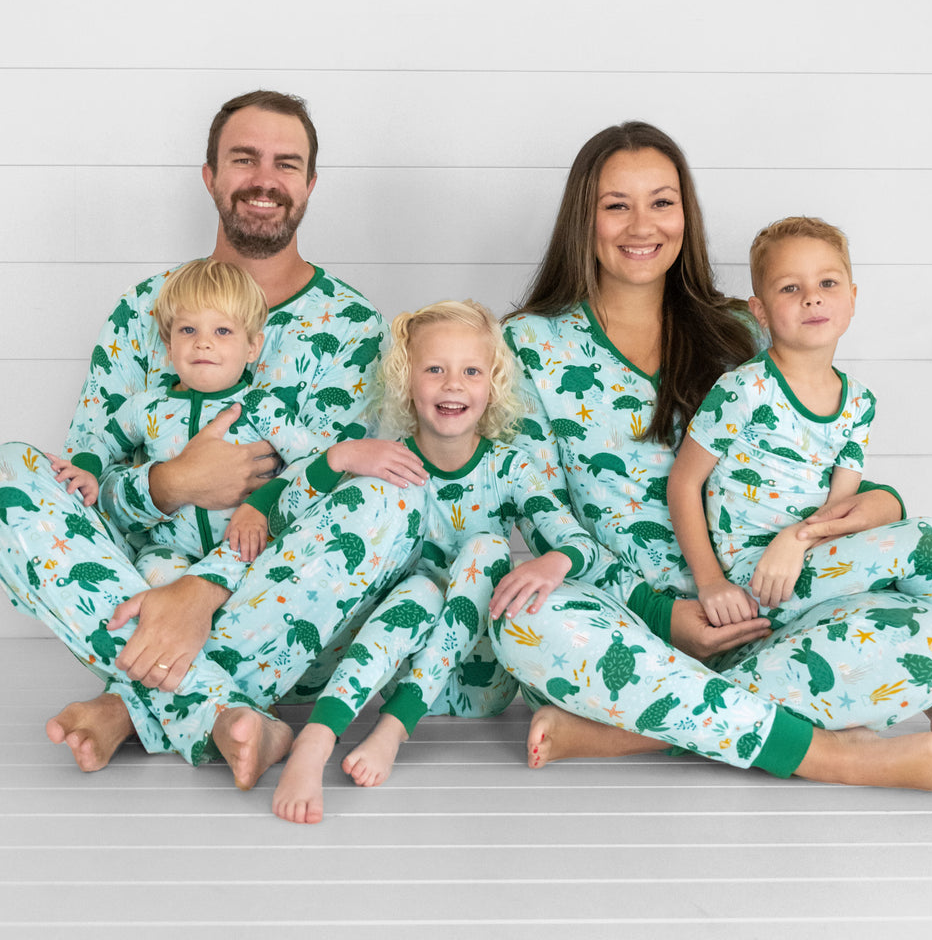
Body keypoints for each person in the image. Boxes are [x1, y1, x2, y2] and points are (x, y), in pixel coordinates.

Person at [492, 121, 932, 793]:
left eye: (662, 201)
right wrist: (666, 612)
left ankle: (638, 730)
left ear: (686, 214)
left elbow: (814, 469)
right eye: (617, 204)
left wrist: (875, 508)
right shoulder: (528, 344)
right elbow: (542, 513)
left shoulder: (741, 329)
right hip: (633, 624)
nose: (642, 225)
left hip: (769, 603)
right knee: (525, 619)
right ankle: (834, 755)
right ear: (584, 218)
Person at [0, 90, 433, 787]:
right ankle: (223, 716)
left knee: (395, 498)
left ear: (309, 185)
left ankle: (130, 706)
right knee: (9, 474)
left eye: (286, 164)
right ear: (210, 176)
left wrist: (206, 589)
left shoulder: (356, 329)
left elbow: (338, 491)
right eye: (243, 159)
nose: (265, 179)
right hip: (142, 598)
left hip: (284, 615)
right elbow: (83, 489)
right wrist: (167, 485)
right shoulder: (142, 311)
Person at [272, 300, 613, 824]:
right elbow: (287, 522)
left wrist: (553, 562)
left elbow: (579, 543)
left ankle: (392, 731)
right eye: (435, 369)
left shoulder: (510, 467)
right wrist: (337, 458)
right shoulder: (387, 459)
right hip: (393, 662)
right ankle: (315, 742)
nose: (453, 384)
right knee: (420, 591)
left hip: (484, 685)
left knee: (486, 549)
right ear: (407, 381)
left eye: (471, 371)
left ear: (492, 385)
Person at [669, 216, 932, 639]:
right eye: (790, 288)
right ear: (759, 310)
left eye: (828, 284)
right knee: (931, 540)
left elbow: (840, 509)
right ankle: (923, 662)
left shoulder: (859, 402)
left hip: (813, 551)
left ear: (852, 298)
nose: (812, 299)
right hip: (757, 579)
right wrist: (711, 584)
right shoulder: (744, 389)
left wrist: (796, 539)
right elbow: (684, 483)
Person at [48, 258, 321, 580]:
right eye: (188, 329)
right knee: (153, 574)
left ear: (252, 346)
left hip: (245, 549)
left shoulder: (261, 407)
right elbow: (102, 439)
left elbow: (312, 461)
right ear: (169, 344)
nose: (203, 342)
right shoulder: (148, 407)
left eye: (223, 330)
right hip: (168, 550)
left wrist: (260, 506)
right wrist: (87, 469)